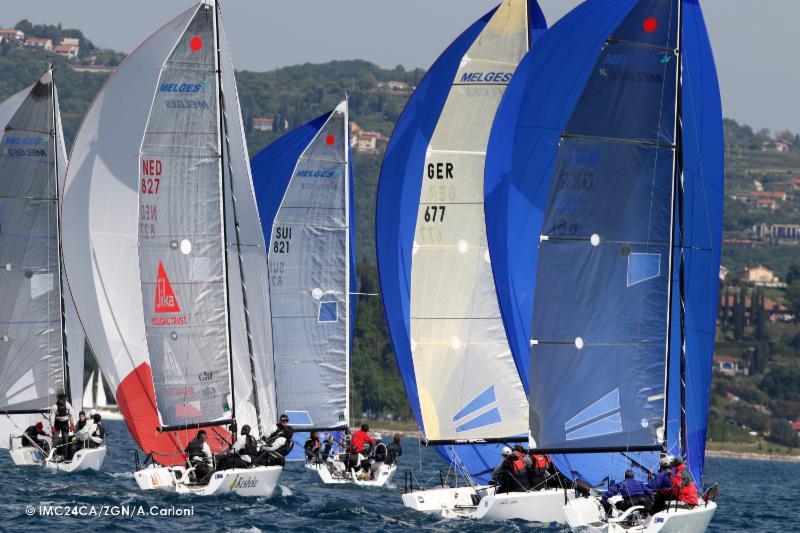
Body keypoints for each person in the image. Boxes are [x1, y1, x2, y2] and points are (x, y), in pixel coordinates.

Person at [49, 393, 74, 458]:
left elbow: (71, 415)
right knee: (55, 440)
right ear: (59, 400)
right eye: (62, 400)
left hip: (65, 424)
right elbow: (52, 417)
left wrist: (72, 424)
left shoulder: (68, 405)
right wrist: (52, 427)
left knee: (65, 440)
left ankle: (65, 456)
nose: (63, 401)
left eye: (64, 400)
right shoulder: (54, 407)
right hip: (57, 425)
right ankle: (53, 455)